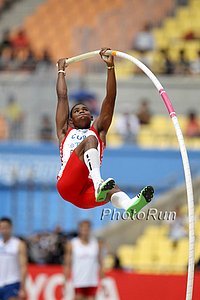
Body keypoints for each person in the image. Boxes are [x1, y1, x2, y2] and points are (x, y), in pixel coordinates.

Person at [56, 47, 154, 218]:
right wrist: (61, 71)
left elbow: (110, 98)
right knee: (89, 141)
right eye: (77, 111)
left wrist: (110, 68)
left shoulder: (99, 130)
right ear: (70, 120)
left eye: (85, 109)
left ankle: (129, 205)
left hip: (84, 193)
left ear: (92, 117)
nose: (82, 111)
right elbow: (62, 97)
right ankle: (99, 182)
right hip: (67, 185)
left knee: (113, 190)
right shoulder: (65, 131)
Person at [63, 220, 103, 300]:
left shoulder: (96, 244)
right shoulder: (72, 244)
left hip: (92, 280)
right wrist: (65, 280)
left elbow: (100, 262)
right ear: (79, 230)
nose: (85, 231)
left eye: (87, 228)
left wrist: (103, 278)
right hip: (78, 280)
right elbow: (67, 264)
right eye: (83, 228)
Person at [0, 217, 27, 300]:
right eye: (1, 228)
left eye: (6, 228)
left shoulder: (18, 244)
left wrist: (22, 287)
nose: (3, 230)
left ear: (11, 228)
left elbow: (23, 267)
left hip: (12, 282)